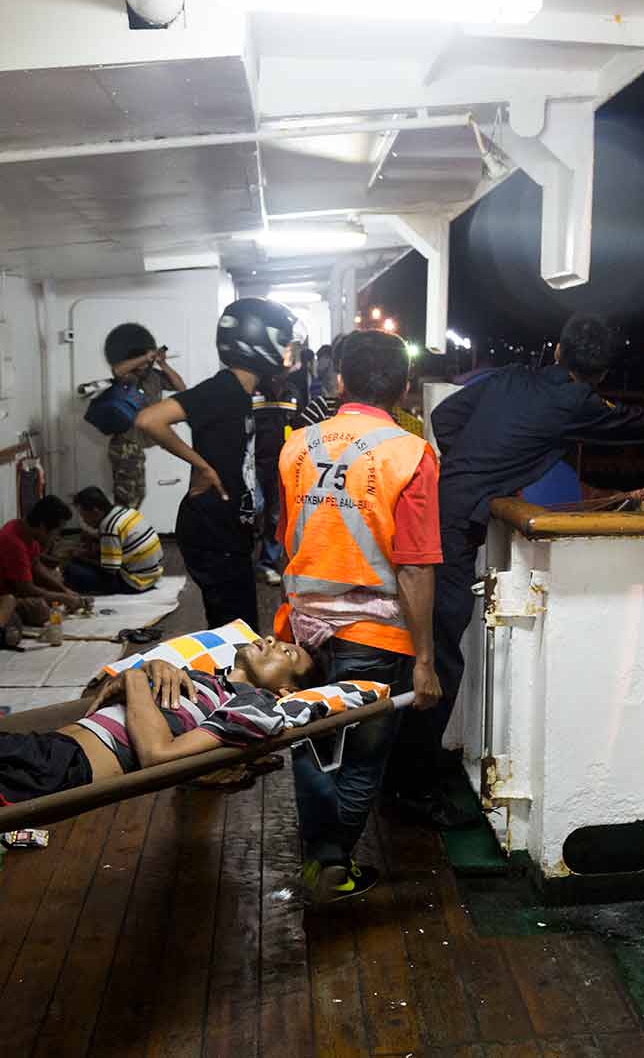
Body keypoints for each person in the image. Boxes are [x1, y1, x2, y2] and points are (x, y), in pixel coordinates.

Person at [389, 312, 644, 827]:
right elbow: (629, 423)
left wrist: (476, 469)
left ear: (560, 351)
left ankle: (400, 776)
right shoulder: (576, 401)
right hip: (452, 531)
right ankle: (411, 793)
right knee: (443, 661)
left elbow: (447, 420)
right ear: (602, 371)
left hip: (436, 508)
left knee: (425, 647)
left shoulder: (511, 376)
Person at [274, 330, 443, 901]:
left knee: (312, 741)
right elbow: (416, 568)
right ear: (404, 386)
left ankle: (317, 858)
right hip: (374, 633)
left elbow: (286, 538)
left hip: (302, 628)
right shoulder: (411, 453)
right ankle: (331, 866)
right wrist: (425, 659)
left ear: (339, 380)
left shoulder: (295, 446)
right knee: (363, 759)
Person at [0, 637, 318, 824]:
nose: (270, 640)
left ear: (286, 688)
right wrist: (147, 669)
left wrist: (137, 679)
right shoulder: (201, 677)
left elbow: (159, 757)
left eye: (288, 651)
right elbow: (102, 693)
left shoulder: (251, 706)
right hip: (35, 746)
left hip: (55, 771)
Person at [135, 297, 297, 630]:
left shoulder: (237, 391)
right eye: (282, 342)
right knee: (236, 634)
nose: (286, 351)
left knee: (239, 630)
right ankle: (223, 682)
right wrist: (203, 466)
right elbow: (149, 420)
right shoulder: (224, 389)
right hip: (213, 532)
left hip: (227, 530)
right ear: (257, 340)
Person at [103, 323, 186, 510]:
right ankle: (115, 535)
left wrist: (163, 363)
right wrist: (144, 356)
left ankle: (119, 533)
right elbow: (117, 370)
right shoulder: (127, 377)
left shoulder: (153, 376)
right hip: (125, 444)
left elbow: (181, 388)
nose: (146, 364)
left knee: (136, 495)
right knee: (127, 498)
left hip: (136, 445)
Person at [0, 495, 85, 625]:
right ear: (42, 526)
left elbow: (36, 565)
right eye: (56, 532)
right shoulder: (13, 543)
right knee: (40, 609)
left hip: (12, 588)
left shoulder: (22, 528)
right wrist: (64, 599)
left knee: (55, 577)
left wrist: (65, 591)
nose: (56, 538)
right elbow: (27, 589)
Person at [66, 486, 165, 594]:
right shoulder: (124, 512)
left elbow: (110, 570)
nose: (83, 521)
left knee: (72, 568)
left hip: (135, 583)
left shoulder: (108, 527)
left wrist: (82, 556)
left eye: (83, 515)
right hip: (153, 575)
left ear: (95, 511)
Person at [252, 374, 302, 586]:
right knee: (255, 508)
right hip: (254, 462)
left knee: (276, 514)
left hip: (283, 463)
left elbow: (300, 426)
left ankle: (268, 563)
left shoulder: (293, 393)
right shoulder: (255, 392)